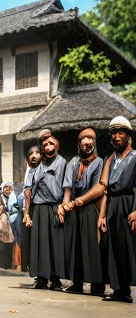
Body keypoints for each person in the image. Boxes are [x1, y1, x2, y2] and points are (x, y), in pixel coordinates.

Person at [74, 117, 136, 302]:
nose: (117, 137)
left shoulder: (135, 157)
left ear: (128, 135)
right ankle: (119, 290)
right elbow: (103, 187)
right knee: (113, 247)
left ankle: (126, 290)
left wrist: (135, 210)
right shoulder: (111, 158)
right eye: (113, 133)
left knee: (128, 247)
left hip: (128, 203)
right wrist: (102, 215)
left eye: (121, 133)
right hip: (112, 205)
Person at [61, 127, 106, 296]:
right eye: (83, 139)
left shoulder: (100, 162)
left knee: (92, 245)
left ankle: (97, 285)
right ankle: (77, 282)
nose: (86, 142)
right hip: (74, 207)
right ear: (79, 143)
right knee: (76, 246)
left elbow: (98, 187)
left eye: (90, 139)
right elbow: (67, 187)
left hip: (91, 206)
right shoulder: (73, 161)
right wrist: (65, 206)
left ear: (94, 143)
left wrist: (78, 202)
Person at [23, 129, 67, 290]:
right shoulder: (36, 168)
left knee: (55, 243)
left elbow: (66, 187)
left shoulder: (62, 163)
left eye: (50, 142)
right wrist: (27, 213)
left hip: (55, 206)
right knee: (40, 244)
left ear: (56, 144)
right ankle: (41, 278)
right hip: (39, 209)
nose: (48, 146)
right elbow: (28, 191)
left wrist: (63, 205)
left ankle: (55, 279)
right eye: (44, 143)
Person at [18, 145, 42, 272]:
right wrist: (26, 214)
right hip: (31, 209)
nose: (34, 156)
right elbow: (27, 195)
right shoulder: (30, 171)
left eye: (37, 153)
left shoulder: (44, 169)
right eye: (31, 153)